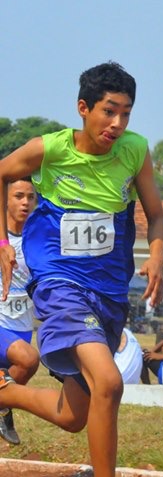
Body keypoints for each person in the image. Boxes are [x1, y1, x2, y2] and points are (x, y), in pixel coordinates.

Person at [0, 62, 163, 476]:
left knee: (74, 414)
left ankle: (4, 392)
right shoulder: (51, 149)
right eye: (109, 111)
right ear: (83, 108)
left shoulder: (135, 151)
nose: (117, 123)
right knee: (109, 382)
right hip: (59, 282)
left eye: (126, 113)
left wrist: (158, 255)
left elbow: (158, 217)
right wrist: (3, 241)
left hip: (108, 291)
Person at [0, 178, 40, 444]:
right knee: (28, 359)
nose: (25, 202)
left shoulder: (38, 239)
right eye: (18, 196)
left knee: (17, 373)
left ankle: (3, 408)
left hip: (21, 326)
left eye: (30, 197)